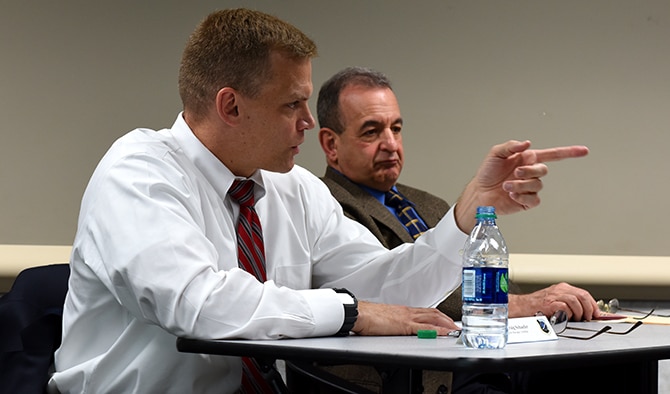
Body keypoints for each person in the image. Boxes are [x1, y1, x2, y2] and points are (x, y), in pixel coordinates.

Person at [48, 9, 591, 394]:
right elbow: (199, 305)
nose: (310, 123)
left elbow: (383, 286)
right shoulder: (139, 171)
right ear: (230, 106)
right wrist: (349, 313)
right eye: (294, 104)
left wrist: (466, 215)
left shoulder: (291, 187)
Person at [316, 66, 599, 393]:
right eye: (371, 132)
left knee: (602, 370)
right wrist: (522, 304)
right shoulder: (327, 205)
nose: (391, 144)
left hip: (487, 352)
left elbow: (490, 270)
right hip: (419, 372)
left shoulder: (427, 202)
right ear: (331, 144)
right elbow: (391, 294)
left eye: (396, 128)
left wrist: (536, 305)